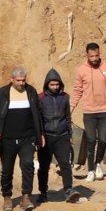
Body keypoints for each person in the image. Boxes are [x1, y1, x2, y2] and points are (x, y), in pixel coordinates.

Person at [0, 67, 42, 211]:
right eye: (18, 80)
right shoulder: (1, 94)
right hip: (7, 139)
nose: (21, 83)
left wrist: (40, 134)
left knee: (28, 165)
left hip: (27, 138)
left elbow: (38, 114)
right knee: (7, 169)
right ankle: (7, 197)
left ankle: (26, 196)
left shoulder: (31, 92)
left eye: (23, 80)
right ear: (12, 79)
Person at [71, 43, 106, 172]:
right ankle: (91, 170)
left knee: (103, 140)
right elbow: (77, 91)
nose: (94, 58)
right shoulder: (81, 70)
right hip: (89, 112)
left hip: (104, 111)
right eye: (91, 56)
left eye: (96, 55)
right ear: (87, 55)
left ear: (99, 54)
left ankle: (98, 163)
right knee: (91, 140)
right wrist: (70, 108)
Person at [33, 69, 75, 202]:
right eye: (52, 84)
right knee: (44, 166)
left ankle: (68, 190)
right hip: (46, 137)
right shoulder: (40, 98)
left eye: (57, 84)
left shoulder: (65, 97)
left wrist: (70, 135)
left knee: (65, 164)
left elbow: (68, 117)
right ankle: (43, 193)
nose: (55, 87)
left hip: (62, 136)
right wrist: (40, 136)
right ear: (47, 84)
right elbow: (38, 119)